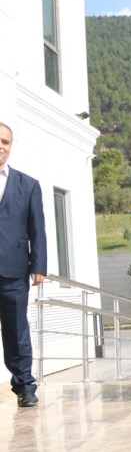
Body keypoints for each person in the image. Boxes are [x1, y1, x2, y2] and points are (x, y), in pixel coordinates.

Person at [0, 122, 46, 408]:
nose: (0, 146)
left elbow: (37, 228)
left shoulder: (28, 185)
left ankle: (25, 387)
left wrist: (38, 265)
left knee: (17, 331)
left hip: (14, 271)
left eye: (5, 141)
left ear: (10, 146)